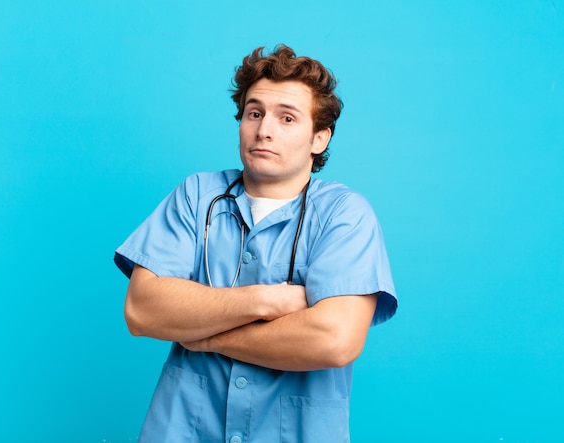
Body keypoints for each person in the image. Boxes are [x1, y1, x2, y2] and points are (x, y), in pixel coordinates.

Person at [114, 44, 397, 443]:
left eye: (287, 118)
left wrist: (205, 335)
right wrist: (269, 301)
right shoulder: (197, 196)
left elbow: (333, 339)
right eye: (254, 112)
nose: (264, 129)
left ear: (319, 137)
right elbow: (142, 310)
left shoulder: (344, 214)